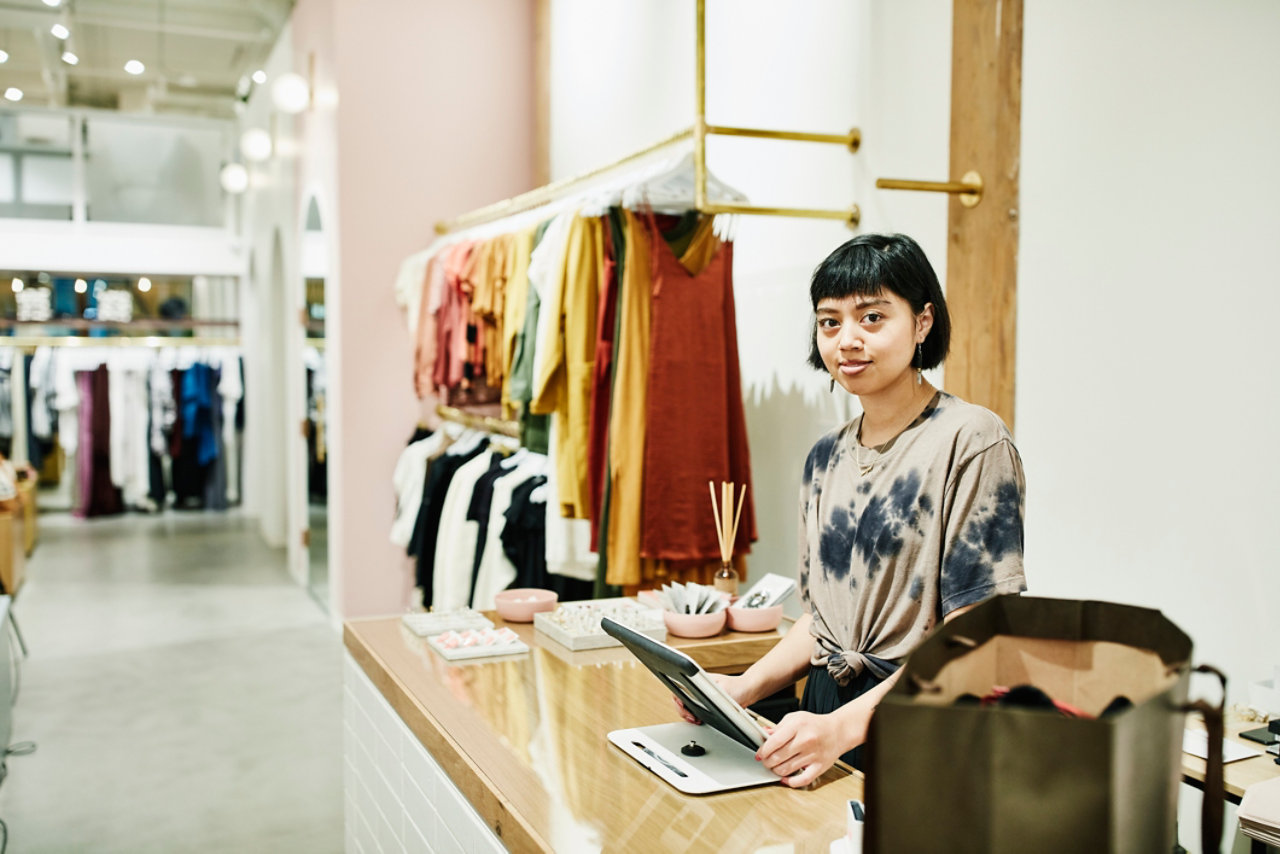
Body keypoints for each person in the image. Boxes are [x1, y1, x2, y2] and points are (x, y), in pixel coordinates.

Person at [677, 233, 1027, 786]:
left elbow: (978, 632)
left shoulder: (972, 440)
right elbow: (821, 619)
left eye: (872, 317)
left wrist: (845, 727)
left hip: (921, 720)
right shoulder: (825, 457)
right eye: (830, 322)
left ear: (922, 323)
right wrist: (743, 686)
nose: (848, 340)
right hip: (823, 712)